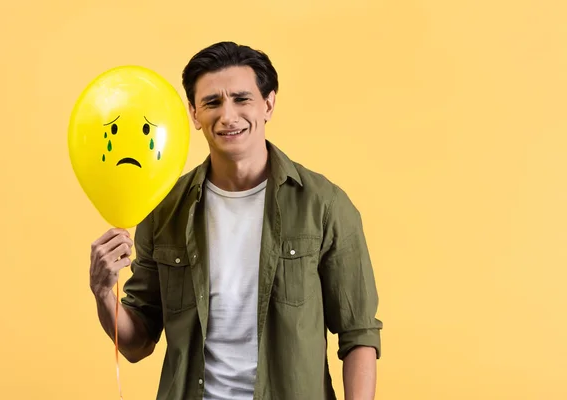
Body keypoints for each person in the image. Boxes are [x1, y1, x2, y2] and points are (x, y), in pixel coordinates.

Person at [89, 41, 383, 400]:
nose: (228, 116)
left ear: (268, 104)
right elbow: (136, 344)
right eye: (212, 102)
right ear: (194, 115)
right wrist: (104, 293)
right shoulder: (164, 211)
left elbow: (359, 334)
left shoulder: (323, 205)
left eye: (241, 99)